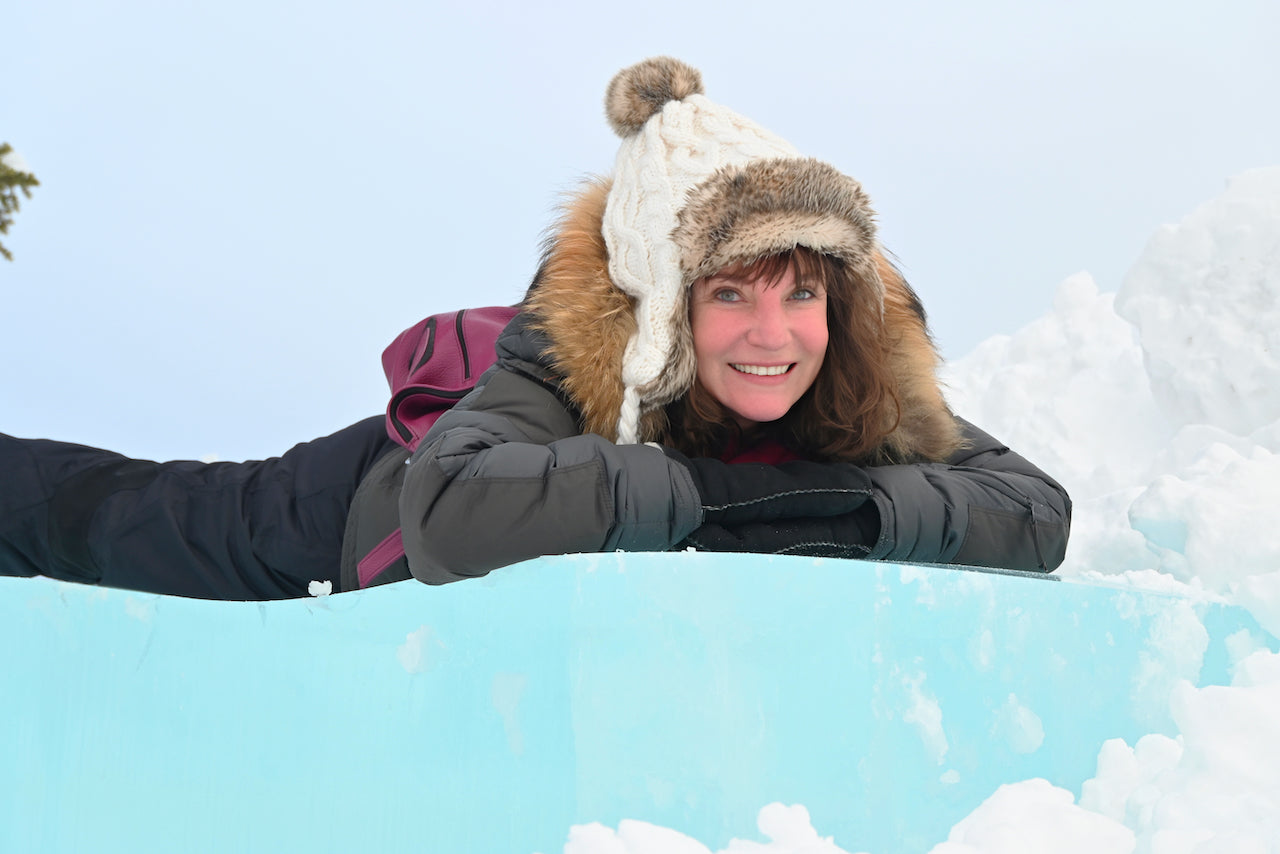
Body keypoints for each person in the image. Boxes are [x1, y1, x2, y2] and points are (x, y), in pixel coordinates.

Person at [0, 58, 1069, 602]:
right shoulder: (570, 352)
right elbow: (454, 510)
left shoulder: (855, 377)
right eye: (728, 295)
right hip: (364, 501)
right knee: (151, 516)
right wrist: (746, 502)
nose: (771, 334)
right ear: (663, 302)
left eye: (799, 295)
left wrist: (836, 508)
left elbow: (1031, 512)